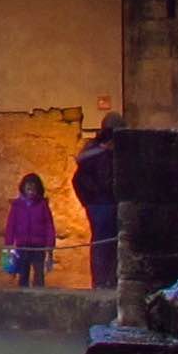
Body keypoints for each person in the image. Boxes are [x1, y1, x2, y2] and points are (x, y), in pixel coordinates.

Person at [73, 114, 122, 291]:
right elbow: (80, 177)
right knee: (102, 243)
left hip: (115, 202)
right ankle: (100, 282)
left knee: (117, 244)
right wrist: (92, 199)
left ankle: (113, 280)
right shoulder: (93, 150)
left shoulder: (121, 149)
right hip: (100, 204)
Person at [2, 172, 59, 290]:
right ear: (23, 188)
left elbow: (49, 225)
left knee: (39, 275)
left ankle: (39, 298)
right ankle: (22, 300)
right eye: (28, 189)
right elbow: (11, 225)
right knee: (23, 274)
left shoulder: (42, 205)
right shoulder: (17, 206)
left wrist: (50, 245)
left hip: (39, 246)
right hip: (22, 246)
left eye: (34, 189)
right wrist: (8, 243)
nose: (31, 192)